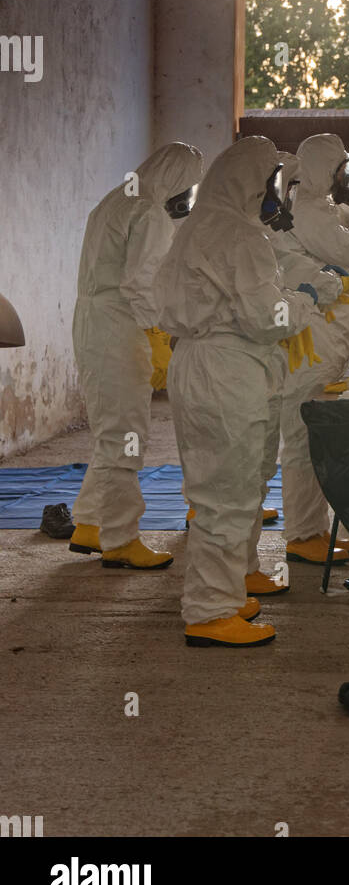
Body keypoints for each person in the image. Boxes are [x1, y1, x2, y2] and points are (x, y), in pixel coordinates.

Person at [154, 136, 321, 648]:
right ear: (253, 183)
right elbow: (263, 316)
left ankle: (224, 588)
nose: (275, 193)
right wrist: (303, 302)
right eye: (272, 181)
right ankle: (209, 611)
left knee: (223, 488)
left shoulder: (198, 227)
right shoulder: (239, 235)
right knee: (227, 494)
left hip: (198, 363)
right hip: (228, 368)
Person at [69, 142, 203, 569]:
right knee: (126, 433)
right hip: (120, 325)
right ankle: (121, 538)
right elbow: (141, 284)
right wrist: (168, 329)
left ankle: (91, 522)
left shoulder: (114, 200)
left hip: (93, 320)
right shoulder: (148, 212)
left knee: (112, 428)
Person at [277, 133, 349, 563]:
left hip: (327, 337)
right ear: (326, 169)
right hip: (313, 340)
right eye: (341, 168)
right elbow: (347, 243)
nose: (346, 176)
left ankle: (312, 527)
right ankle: (303, 534)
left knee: (315, 435)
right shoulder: (308, 209)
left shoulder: (321, 205)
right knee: (303, 436)